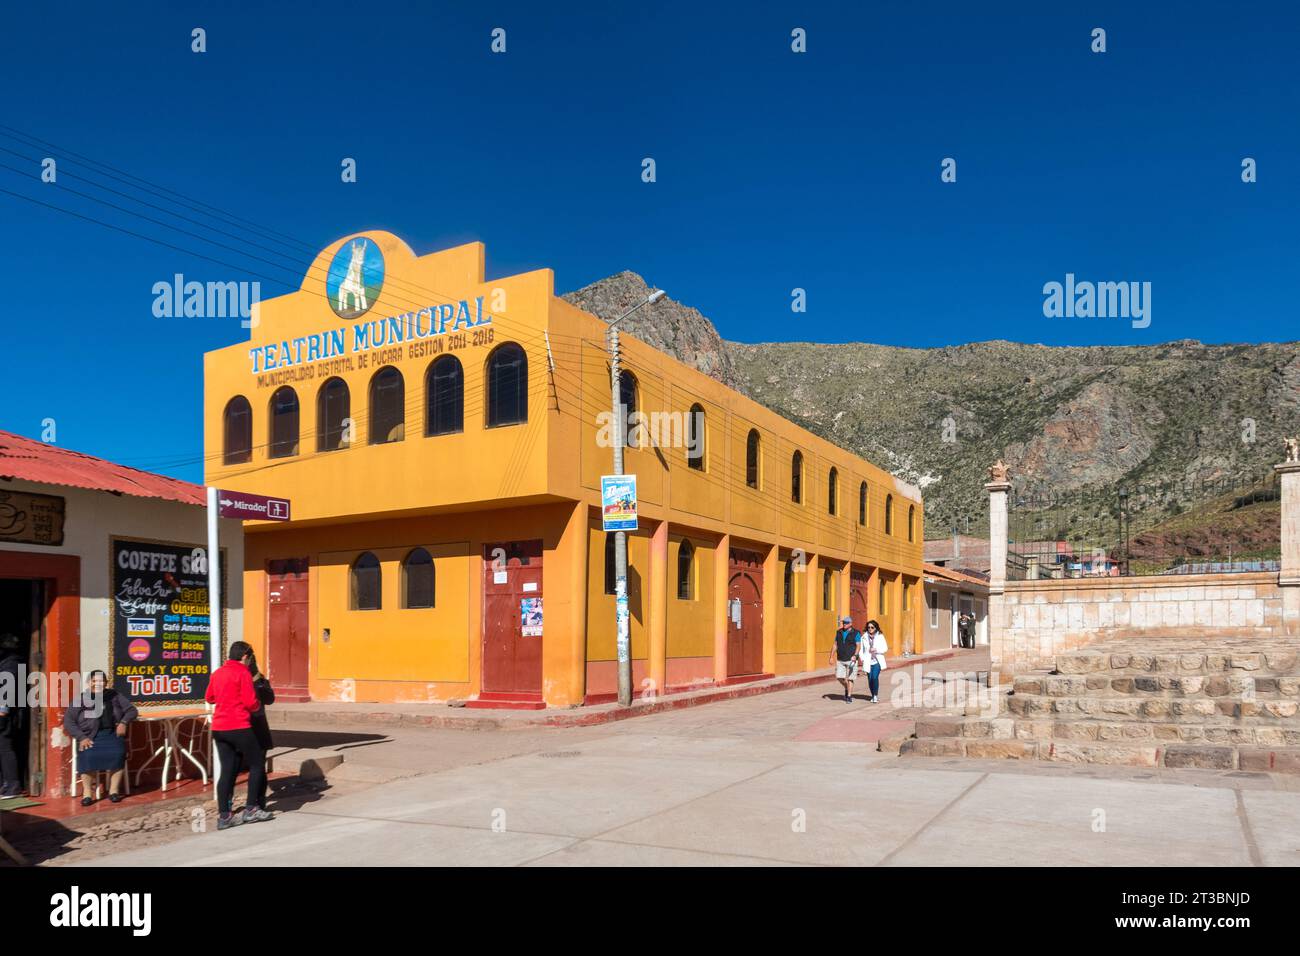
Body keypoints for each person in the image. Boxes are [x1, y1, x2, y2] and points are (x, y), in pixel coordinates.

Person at [206, 641, 272, 830]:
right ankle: (251, 808)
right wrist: (256, 707)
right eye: (249, 657)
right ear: (245, 656)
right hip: (239, 726)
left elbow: (209, 697)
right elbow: (251, 702)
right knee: (257, 763)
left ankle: (224, 816)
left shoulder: (218, 673)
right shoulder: (242, 672)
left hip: (219, 728)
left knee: (227, 770)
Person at [63, 670, 138, 805]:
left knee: (119, 752)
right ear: (89, 682)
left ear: (106, 683)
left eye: (101, 681)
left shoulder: (114, 695)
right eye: (94, 681)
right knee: (87, 755)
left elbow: (132, 710)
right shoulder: (81, 698)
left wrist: (123, 722)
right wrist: (81, 737)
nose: (98, 684)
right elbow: (68, 721)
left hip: (111, 734)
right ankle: (87, 793)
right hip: (89, 736)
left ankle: (113, 791)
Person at [0, 634, 24, 797]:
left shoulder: (12, 663)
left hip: (5, 714)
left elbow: (7, 688)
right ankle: (5, 784)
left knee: (5, 748)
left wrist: (3, 711)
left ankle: (13, 786)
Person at [829, 616, 861, 703]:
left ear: (850, 624)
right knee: (839, 677)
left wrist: (855, 655)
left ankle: (849, 696)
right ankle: (847, 688)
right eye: (843, 622)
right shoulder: (839, 632)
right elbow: (835, 644)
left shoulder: (856, 633)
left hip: (852, 659)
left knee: (850, 678)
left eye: (846, 623)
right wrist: (831, 656)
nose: (844, 624)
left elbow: (858, 646)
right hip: (840, 659)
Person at [861, 620, 889, 703]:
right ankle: (873, 695)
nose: (870, 629)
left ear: (876, 628)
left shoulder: (880, 636)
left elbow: (885, 648)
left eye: (872, 627)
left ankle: (875, 696)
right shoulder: (864, 637)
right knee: (870, 679)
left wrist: (876, 650)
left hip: (877, 661)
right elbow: (861, 650)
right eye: (868, 627)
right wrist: (862, 659)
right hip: (868, 661)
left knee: (874, 677)